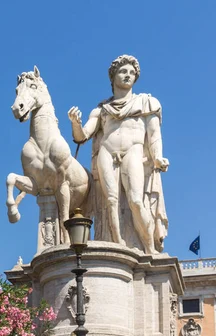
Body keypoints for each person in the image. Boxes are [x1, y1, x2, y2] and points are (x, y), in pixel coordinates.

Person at [68, 55, 168, 254]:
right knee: (110, 202)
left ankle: (149, 248)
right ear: (113, 77)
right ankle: (118, 245)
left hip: (134, 150)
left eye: (132, 73)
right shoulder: (102, 109)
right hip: (107, 151)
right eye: (123, 71)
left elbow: (154, 135)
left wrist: (157, 157)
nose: (128, 75)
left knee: (136, 200)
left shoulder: (147, 102)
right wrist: (75, 123)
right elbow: (83, 136)